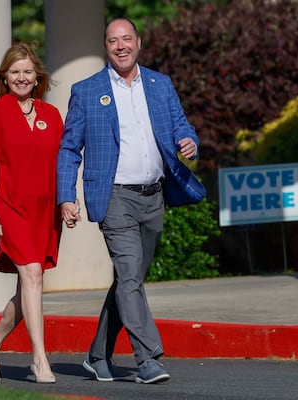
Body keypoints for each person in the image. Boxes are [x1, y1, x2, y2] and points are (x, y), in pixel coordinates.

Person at [57, 18, 200, 384]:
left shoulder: (160, 83)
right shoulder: (87, 91)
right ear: (105, 46)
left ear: (138, 42)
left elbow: (181, 124)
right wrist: (65, 197)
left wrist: (189, 141)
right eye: (112, 41)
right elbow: (69, 148)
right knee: (130, 275)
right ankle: (148, 358)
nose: (120, 46)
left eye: (126, 39)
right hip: (115, 196)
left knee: (129, 278)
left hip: (153, 196)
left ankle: (97, 355)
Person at [0, 42, 64, 383]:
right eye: (15, 72)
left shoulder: (51, 115)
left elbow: (62, 163)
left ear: (37, 76)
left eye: (28, 71)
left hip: (44, 210)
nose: (22, 77)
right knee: (32, 277)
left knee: (30, 283)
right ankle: (40, 359)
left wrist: (67, 201)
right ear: (5, 77)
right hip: (9, 205)